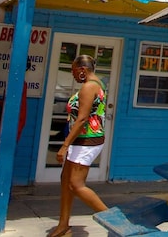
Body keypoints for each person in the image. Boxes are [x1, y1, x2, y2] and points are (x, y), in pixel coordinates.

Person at [49, 55, 108, 237]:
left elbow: (82, 118)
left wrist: (64, 145)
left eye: (74, 71)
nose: (73, 75)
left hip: (86, 141)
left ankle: (116, 221)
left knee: (75, 184)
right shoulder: (97, 83)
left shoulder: (89, 87)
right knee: (65, 181)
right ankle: (63, 226)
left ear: (83, 70)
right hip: (82, 140)